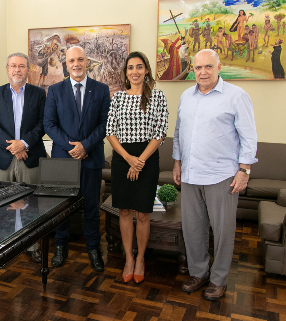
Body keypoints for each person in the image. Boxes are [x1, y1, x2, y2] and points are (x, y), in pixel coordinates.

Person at [173, 49, 257, 300]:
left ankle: (219, 279)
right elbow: (179, 133)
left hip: (222, 175)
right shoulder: (187, 96)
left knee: (222, 231)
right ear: (193, 69)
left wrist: (244, 170)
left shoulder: (236, 96)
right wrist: (177, 163)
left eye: (208, 67)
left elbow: (249, 137)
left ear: (219, 67)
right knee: (193, 228)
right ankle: (199, 272)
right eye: (198, 68)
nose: (203, 72)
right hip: (190, 174)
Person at [44, 46, 110, 271]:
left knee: (92, 207)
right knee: (62, 207)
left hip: (91, 158)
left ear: (86, 62)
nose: (76, 64)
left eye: (80, 59)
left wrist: (86, 146)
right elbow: (49, 124)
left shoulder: (101, 90)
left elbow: (104, 124)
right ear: (66, 63)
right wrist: (71, 147)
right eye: (72, 60)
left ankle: (93, 248)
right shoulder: (55, 90)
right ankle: (61, 246)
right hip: (63, 158)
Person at [106, 51, 168, 284]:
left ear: (147, 70)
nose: (135, 72)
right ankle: (128, 258)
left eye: (139, 67)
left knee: (142, 213)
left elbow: (160, 132)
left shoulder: (157, 96)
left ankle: (141, 258)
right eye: (130, 68)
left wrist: (139, 160)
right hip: (122, 157)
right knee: (124, 211)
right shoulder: (118, 98)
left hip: (148, 157)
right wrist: (129, 159)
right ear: (126, 72)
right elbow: (110, 132)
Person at [0, 52, 47, 262]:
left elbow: (42, 124)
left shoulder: (39, 94)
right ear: (7, 70)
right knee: (1, 203)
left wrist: (24, 143)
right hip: (3, 159)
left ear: (28, 70)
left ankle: (32, 246)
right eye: (13, 66)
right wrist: (14, 146)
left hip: (29, 157)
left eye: (21, 66)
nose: (17, 70)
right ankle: (4, 246)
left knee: (31, 202)